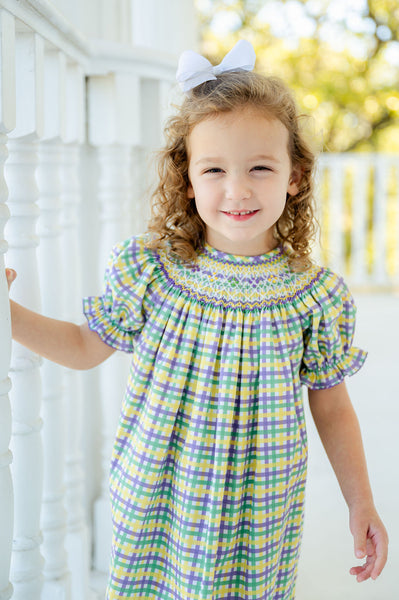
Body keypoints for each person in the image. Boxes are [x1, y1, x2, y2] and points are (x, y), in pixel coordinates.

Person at [5, 40, 388, 600]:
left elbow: (331, 404)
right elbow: (86, 347)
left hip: (260, 506)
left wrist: (361, 502)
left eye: (261, 167)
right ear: (188, 179)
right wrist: (7, 315)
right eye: (214, 169)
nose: (237, 190)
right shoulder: (153, 271)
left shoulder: (314, 296)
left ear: (295, 176)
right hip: (159, 491)